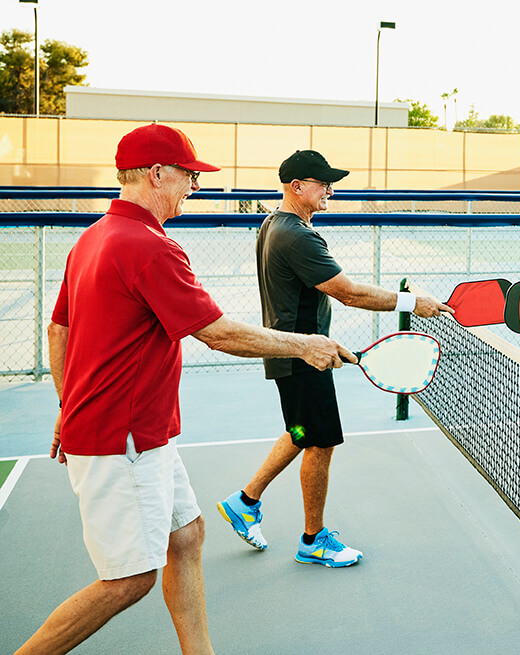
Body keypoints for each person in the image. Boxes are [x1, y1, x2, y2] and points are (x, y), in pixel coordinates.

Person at [19, 125, 354, 655]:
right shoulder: (151, 247)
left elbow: (58, 330)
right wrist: (304, 345)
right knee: (128, 581)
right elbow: (217, 334)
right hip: (122, 439)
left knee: (187, 536)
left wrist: (67, 403)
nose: (194, 186)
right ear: (156, 174)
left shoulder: (92, 237)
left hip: (141, 433)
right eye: (189, 175)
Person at [216, 150, 452, 568]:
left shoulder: (274, 223)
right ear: (297, 187)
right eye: (323, 183)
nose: (330, 189)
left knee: (302, 430)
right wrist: (413, 302)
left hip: (294, 350)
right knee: (321, 442)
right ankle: (313, 540)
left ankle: (245, 501)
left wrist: (320, 340)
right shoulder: (296, 235)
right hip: (301, 357)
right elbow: (349, 292)